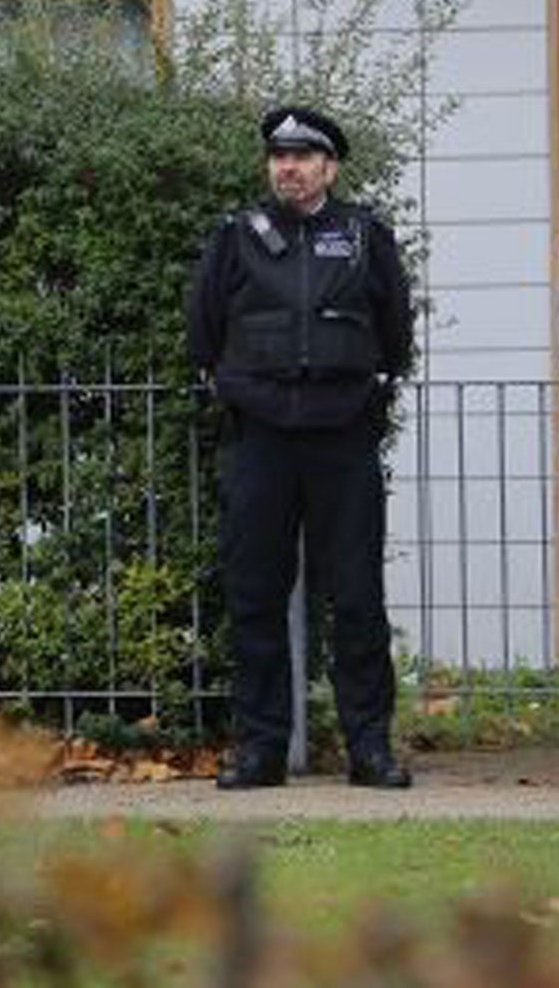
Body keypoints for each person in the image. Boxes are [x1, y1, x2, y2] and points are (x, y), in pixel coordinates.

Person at [186, 104, 415, 790]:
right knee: (254, 593)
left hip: (341, 438)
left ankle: (369, 748)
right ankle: (259, 749)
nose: (288, 167)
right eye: (278, 157)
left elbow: (395, 331)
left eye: (303, 157)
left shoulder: (365, 235)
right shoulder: (236, 237)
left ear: (329, 168)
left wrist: (369, 399)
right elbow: (203, 329)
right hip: (261, 438)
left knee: (356, 597)